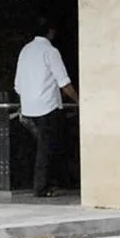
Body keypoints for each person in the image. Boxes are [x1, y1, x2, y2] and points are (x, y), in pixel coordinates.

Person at [13, 15, 76, 197]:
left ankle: (41, 183)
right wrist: (78, 100)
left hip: (28, 108)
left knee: (38, 147)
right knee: (49, 148)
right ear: (51, 32)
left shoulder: (25, 51)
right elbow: (64, 82)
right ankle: (42, 187)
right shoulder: (51, 52)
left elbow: (17, 84)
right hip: (48, 107)